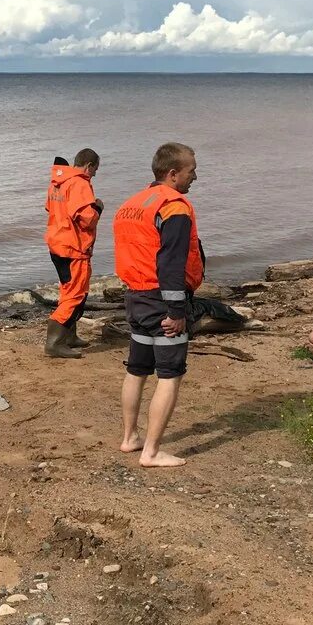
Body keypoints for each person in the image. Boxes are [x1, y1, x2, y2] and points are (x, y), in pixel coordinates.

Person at [112, 142, 205, 468]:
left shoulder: (131, 204)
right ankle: (151, 452)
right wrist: (177, 312)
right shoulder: (174, 207)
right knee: (169, 374)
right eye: (192, 170)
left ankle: (129, 438)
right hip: (162, 301)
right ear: (173, 173)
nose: (195, 176)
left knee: (137, 369)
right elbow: (171, 263)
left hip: (135, 298)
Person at [44, 148, 104, 359]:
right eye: (95, 169)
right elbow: (87, 219)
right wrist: (98, 208)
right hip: (73, 248)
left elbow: (49, 208)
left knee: (67, 290)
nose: (95, 174)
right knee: (76, 294)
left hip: (57, 243)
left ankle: (69, 336)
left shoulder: (56, 182)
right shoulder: (79, 182)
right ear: (88, 166)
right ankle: (54, 343)